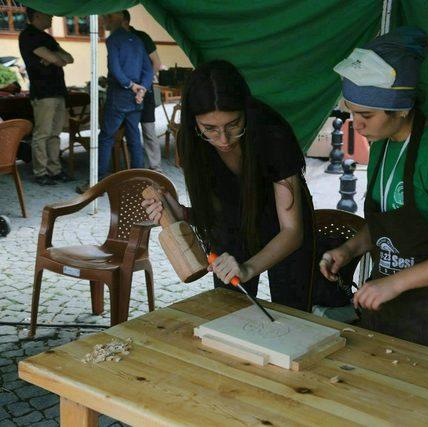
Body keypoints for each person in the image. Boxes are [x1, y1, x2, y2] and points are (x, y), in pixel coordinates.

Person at [321, 27, 428, 362]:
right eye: (351, 111)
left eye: (365, 115)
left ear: (400, 108)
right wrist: (349, 248)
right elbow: (388, 221)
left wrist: (395, 283)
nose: (355, 123)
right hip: (388, 312)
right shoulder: (382, 147)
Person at [142, 60, 314, 311]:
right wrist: (180, 214)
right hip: (233, 230)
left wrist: (248, 268)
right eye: (209, 129)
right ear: (194, 121)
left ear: (246, 111)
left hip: (283, 231)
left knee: (294, 314)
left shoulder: (271, 134)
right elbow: (216, 212)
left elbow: (292, 231)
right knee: (229, 311)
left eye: (233, 124)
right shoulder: (191, 141)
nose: (223, 140)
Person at [76, 10, 152, 193]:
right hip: (136, 98)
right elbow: (148, 70)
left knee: (106, 138)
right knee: (134, 138)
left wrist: (130, 85)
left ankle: (98, 182)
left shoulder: (113, 40)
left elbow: (115, 69)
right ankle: (139, 182)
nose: (103, 22)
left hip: (119, 95)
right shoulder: (138, 40)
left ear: (113, 18)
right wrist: (142, 88)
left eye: (105, 18)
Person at [19, 7, 74, 186]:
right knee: (42, 134)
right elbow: (60, 60)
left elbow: (69, 58)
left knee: (55, 134)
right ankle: (40, 172)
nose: (51, 17)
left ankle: (54, 170)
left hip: (58, 91)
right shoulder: (28, 36)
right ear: (36, 16)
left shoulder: (47, 38)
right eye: (47, 14)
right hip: (43, 93)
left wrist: (52, 57)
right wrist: (56, 58)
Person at [122, 9, 163, 172]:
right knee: (131, 132)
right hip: (126, 93)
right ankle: (136, 167)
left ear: (124, 20)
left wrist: (144, 87)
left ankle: (156, 167)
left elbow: (156, 63)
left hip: (145, 92)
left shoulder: (142, 37)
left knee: (148, 130)